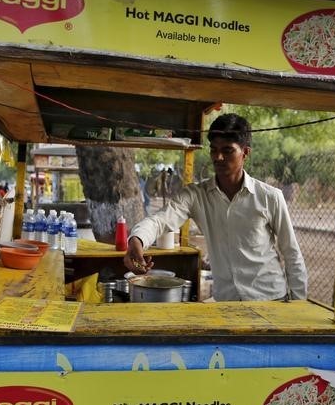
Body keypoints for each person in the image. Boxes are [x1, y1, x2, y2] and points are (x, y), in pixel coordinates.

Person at [124, 113, 307, 301]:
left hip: (270, 299)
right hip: (226, 302)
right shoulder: (196, 195)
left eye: (227, 150)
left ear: (245, 153)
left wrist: (299, 305)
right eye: (214, 150)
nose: (218, 157)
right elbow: (159, 220)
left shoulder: (270, 197)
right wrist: (137, 240)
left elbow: (291, 253)